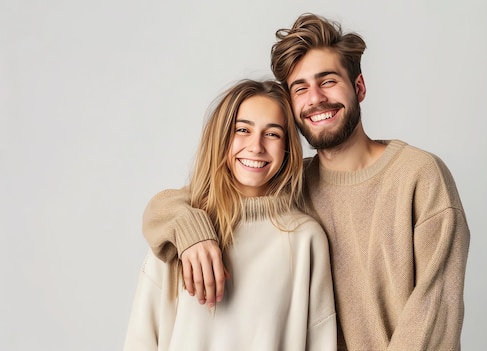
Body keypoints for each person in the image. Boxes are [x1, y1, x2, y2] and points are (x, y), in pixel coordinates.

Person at [142, 13, 470, 351]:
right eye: (300, 88)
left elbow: (435, 310)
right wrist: (190, 230)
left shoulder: (419, 175)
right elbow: (179, 203)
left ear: (359, 87)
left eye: (327, 81)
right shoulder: (291, 185)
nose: (315, 99)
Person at [124, 79, 337, 351]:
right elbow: (141, 340)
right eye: (242, 130)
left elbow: (321, 341)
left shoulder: (305, 239)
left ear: (287, 149)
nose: (256, 146)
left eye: (272, 134)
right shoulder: (179, 230)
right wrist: (188, 230)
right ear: (222, 137)